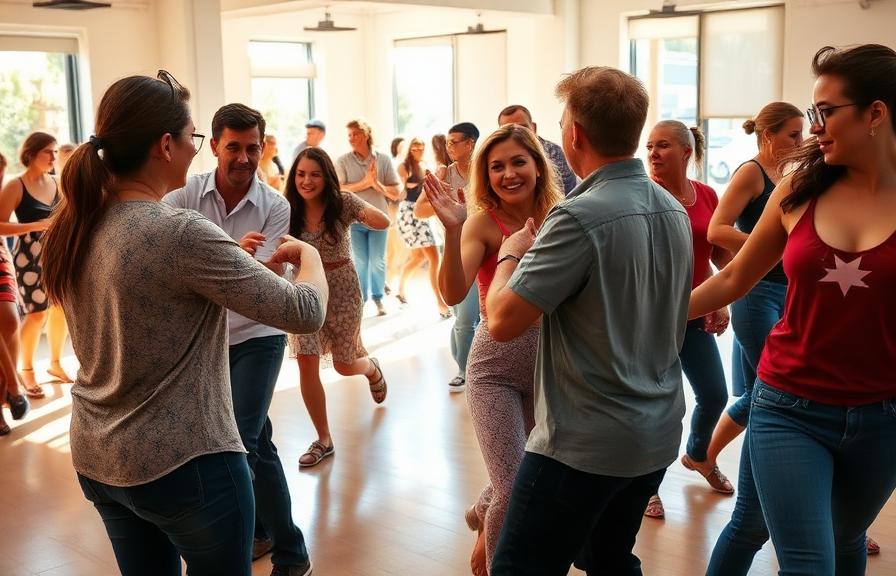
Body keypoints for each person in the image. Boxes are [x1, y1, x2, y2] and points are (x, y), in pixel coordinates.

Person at [40, 71, 326, 576]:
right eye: (196, 139)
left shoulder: (78, 222)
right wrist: (310, 257)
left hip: (101, 456)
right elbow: (305, 310)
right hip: (185, 463)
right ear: (165, 144)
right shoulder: (178, 230)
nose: (197, 152)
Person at [690, 43, 896, 575]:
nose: (815, 128)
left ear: (875, 113)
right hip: (789, 407)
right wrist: (652, 316)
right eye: (811, 114)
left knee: (847, 540)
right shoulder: (797, 190)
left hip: (883, 416)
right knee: (807, 564)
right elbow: (735, 276)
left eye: (826, 113)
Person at [484, 65, 692, 576]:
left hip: (582, 447)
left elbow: (503, 322)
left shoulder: (577, 217)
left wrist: (511, 254)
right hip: (656, 432)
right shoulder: (672, 208)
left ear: (574, 133)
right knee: (607, 557)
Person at [162, 103, 315, 575]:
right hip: (203, 340)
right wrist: (235, 260)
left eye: (253, 148)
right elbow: (167, 255)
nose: (244, 158)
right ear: (214, 146)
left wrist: (237, 265)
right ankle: (287, 546)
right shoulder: (183, 194)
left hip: (258, 336)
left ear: (263, 147)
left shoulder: (275, 205)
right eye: (234, 147)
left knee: (239, 444)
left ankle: (232, 552)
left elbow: (265, 285)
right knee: (260, 445)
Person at [426, 124, 562, 575]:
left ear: (538, 167)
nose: (508, 174)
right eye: (496, 166)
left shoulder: (563, 216)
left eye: (518, 162)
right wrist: (452, 230)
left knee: (522, 469)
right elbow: (451, 291)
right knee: (515, 485)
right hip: (494, 368)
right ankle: (497, 557)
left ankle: (482, 514)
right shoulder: (483, 222)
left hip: (551, 366)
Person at [701, 102, 804, 574]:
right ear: (766, 136)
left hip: (792, 292)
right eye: (791, 135)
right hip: (756, 292)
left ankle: (705, 456)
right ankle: (704, 454)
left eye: (802, 133)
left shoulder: (800, 177)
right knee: (773, 391)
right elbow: (717, 229)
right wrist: (769, 243)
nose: (799, 142)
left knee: (755, 392)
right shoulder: (751, 174)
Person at [642, 120, 734, 519]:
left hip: (694, 314)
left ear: (685, 151)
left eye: (662, 145)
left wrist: (722, 299)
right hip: (650, 319)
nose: (653, 153)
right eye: (649, 146)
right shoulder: (642, 195)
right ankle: (647, 487)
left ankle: (698, 454)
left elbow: (717, 256)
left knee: (715, 394)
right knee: (661, 408)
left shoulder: (708, 195)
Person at [283, 146, 391, 468]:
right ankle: (323, 439)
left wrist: (360, 209)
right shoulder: (286, 209)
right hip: (304, 293)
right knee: (306, 362)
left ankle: (371, 368)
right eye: (301, 174)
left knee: (345, 365)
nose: (307, 180)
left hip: (343, 292)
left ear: (326, 177)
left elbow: (382, 221)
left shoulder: (340, 203)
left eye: (314, 174)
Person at [0, 131, 71, 396]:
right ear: (31, 154)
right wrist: (37, 225)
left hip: (55, 254)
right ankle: (26, 371)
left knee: (60, 309)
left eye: (55, 151)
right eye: (48, 152)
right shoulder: (15, 185)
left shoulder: (57, 182)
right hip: (27, 258)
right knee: (37, 313)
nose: (54, 157)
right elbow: (0, 225)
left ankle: (54, 364)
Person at [415, 122, 481, 392]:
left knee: (467, 318)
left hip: (482, 249)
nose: (449, 147)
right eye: (448, 142)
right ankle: (464, 366)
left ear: (471, 143)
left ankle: (467, 371)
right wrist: (440, 198)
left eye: (454, 142)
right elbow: (419, 211)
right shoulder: (445, 174)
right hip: (454, 250)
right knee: (462, 316)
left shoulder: (485, 171)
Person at [335, 119, 401, 316]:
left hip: (379, 219)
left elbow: (396, 191)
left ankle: (379, 298)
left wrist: (377, 185)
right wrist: (365, 182)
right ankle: (361, 300)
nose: (351, 139)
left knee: (378, 260)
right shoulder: (342, 161)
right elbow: (338, 188)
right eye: (349, 135)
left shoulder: (384, 159)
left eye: (355, 134)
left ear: (365, 134)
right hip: (353, 220)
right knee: (361, 261)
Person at [395, 137, 450, 317]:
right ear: (409, 150)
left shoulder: (426, 165)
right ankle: (440, 302)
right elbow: (400, 192)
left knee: (418, 257)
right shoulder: (404, 167)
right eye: (414, 148)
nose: (418, 151)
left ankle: (400, 290)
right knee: (434, 257)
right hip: (410, 213)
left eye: (421, 148)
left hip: (424, 213)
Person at [497, 104, 578, 195]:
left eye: (523, 128)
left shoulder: (552, 152)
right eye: (508, 130)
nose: (516, 135)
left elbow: (565, 191)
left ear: (533, 127)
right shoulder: (496, 155)